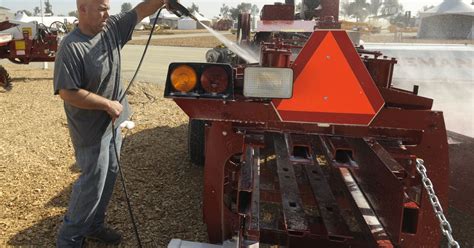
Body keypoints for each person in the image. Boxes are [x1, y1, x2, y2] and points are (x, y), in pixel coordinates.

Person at [54, 0, 168, 247]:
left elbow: (140, 11)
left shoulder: (111, 28)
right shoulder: (71, 47)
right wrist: (107, 104)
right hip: (90, 130)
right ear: (82, 10)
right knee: (92, 183)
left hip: (114, 123)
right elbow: (67, 92)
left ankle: (94, 225)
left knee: (110, 174)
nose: (108, 13)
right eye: (102, 8)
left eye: (108, 7)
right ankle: (69, 239)